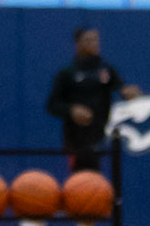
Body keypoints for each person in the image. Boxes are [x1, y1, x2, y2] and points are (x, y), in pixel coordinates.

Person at [45, 27, 141, 172]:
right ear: (78, 44)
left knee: (99, 178)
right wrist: (72, 110)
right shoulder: (67, 73)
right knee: (80, 179)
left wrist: (128, 92)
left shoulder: (105, 70)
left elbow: (119, 87)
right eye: (88, 40)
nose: (94, 43)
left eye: (96, 40)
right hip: (75, 139)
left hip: (99, 137)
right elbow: (52, 105)